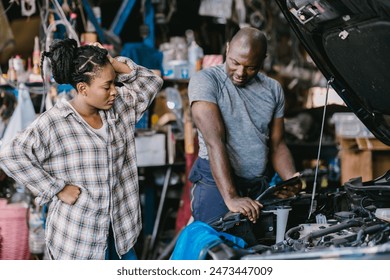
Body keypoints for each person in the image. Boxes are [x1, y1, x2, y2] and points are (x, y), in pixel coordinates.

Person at [0, 38, 163, 259]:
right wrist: (56, 188)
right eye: (106, 86)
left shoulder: (121, 108)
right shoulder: (55, 122)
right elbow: (10, 155)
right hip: (78, 241)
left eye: (114, 83)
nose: (114, 91)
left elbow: (152, 81)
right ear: (83, 88)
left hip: (121, 236)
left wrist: (113, 63)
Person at [188, 27, 300, 244]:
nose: (240, 72)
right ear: (227, 49)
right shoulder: (206, 81)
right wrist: (231, 198)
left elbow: (277, 144)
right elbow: (214, 141)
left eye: (251, 67)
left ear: (263, 61)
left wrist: (290, 179)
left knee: (258, 250)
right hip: (216, 183)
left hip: (257, 186)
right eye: (235, 63)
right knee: (216, 249)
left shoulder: (273, 90)